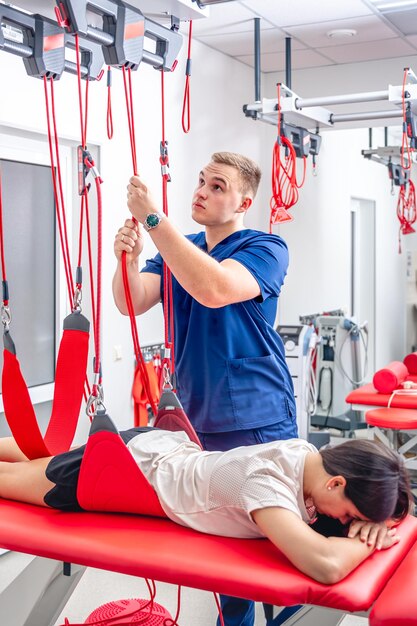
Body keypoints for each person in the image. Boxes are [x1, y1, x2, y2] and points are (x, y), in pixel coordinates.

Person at [113, 151, 298, 626]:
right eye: (201, 181)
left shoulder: (265, 248)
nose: (201, 191)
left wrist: (153, 219)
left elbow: (213, 288)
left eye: (218, 186)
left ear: (244, 202)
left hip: (256, 416)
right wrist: (129, 262)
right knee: (222, 559)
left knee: (279, 543)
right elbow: (132, 302)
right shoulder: (182, 245)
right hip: (197, 417)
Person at [0, 431, 412, 586]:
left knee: (33, 465)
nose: (343, 523)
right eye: (349, 515)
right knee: (11, 483)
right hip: (119, 474)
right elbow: (325, 565)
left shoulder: (307, 455)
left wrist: (371, 521)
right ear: (336, 482)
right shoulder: (264, 481)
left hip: (156, 449)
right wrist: (369, 542)